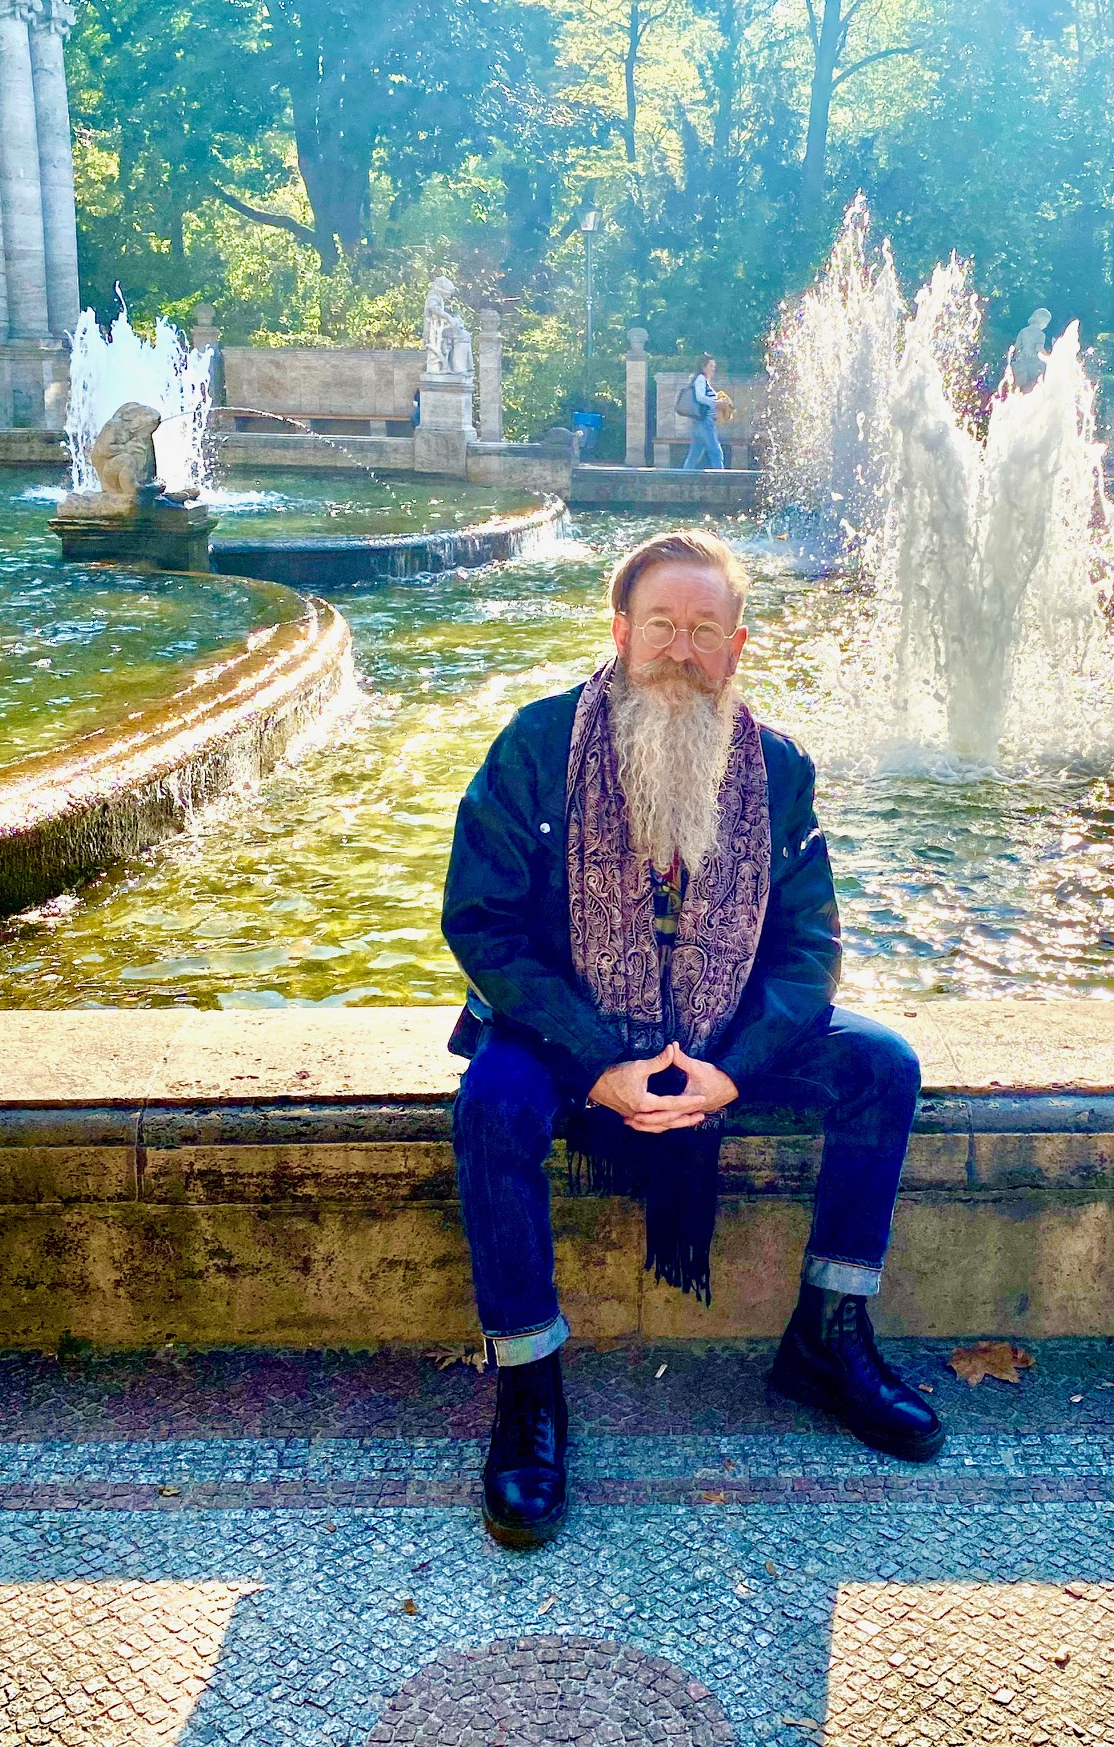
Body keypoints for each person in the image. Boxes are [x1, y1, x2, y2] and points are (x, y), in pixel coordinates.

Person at [441, 530, 945, 1549]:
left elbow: (811, 947)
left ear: (736, 646)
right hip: (566, 1029)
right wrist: (597, 1060)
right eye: (661, 624)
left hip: (726, 1036)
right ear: (620, 633)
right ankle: (529, 1386)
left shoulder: (778, 767)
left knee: (882, 1067)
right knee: (491, 1104)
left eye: (704, 629)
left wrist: (733, 1072)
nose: (680, 650)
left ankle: (828, 1335)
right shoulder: (536, 745)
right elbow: (481, 923)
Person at [681, 354, 724, 471]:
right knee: (716, 452)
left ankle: (684, 476)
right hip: (705, 422)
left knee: (694, 454)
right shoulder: (701, 379)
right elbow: (700, 397)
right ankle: (721, 478)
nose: (713, 369)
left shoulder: (703, 380)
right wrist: (716, 403)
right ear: (703, 366)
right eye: (710, 366)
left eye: (714, 366)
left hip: (701, 422)